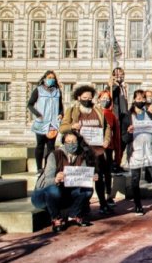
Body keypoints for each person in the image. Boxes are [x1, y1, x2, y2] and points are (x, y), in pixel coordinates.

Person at [59, 85, 112, 214]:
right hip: (81, 150)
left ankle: (103, 203)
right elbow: (62, 128)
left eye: (89, 97)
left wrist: (106, 140)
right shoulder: (72, 110)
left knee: (99, 178)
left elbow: (107, 127)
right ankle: (84, 204)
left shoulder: (98, 110)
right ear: (78, 97)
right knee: (84, 177)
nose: (87, 100)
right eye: (84, 97)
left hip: (97, 149)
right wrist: (72, 125)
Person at [32, 132, 96, 232]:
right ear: (64, 143)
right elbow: (47, 181)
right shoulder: (54, 155)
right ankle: (56, 219)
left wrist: (90, 177)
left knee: (88, 190)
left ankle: (74, 214)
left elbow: (83, 178)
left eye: (74, 141)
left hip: (65, 193)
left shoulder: (81, 156)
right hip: (42, 194)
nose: (72, 144)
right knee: (53, 189)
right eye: (69, 141)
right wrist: (56, 179)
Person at [123, 90, 152, 215]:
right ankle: (138, 205)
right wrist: (129, 132)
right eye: (138, 98)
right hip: (135, 151)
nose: (141, 101)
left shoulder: (150, 115)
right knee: (135, 178)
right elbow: (124, 138)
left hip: (150, 150)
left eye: (143, 99)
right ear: (134, 100)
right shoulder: (128, 116)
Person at [28, 70, 64, 174]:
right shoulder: (38, 90)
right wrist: (38, 114)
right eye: (49, 77)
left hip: (53, 124)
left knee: (51, 147)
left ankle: (49, 167)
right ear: (44, 79)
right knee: (40, 145)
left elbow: (61, 107)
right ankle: (39, 168)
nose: (51, 80)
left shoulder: (58, 91)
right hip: (41, 123)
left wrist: (61, 114)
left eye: (53, 78)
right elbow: (30, 104)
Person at [97, 90, 118, 210]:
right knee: (97, 172)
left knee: (107, 171)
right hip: (95, 145)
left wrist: (108, 140)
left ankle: (108, 194)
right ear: (99, 98)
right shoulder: (95, 111)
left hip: (107, 146)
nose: (105, 100)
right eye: (103, 98)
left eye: (107, 98)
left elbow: (112, 129)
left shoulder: (111, 114)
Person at [109, 67, 129, 172]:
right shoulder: (113, 87)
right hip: (116, 116)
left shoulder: (123, 87)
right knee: (115, 141)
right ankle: (113, 163)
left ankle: (118, 162)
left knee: (123, 142)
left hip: (124, 116)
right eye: (117, 74)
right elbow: (111, 96)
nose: (119, 76)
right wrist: (113, 84)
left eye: (121, 74)